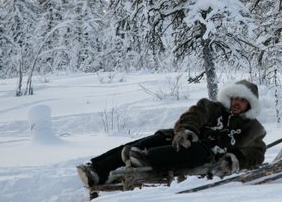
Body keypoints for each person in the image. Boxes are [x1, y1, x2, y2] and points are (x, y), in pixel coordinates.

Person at [76, 79, 266, 187]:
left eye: (243, 100)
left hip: (206, 153)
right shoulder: (212, 107)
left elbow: (257, 153)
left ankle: (142, 158)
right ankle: (96, 169)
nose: (237, 103)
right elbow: (195, 114)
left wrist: (235, 159)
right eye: (236, 98)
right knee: (156, 139)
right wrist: (186, 130)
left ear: (250, 104)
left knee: (197, 152)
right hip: (183, 139)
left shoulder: (253, 128)